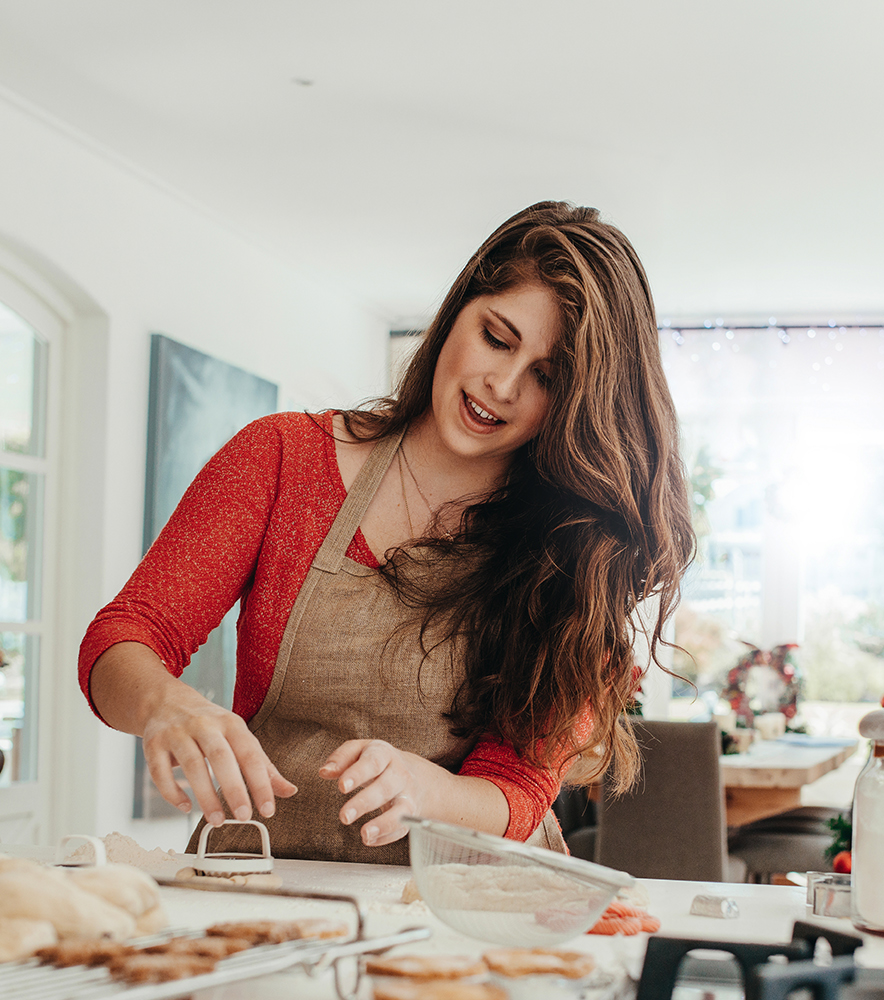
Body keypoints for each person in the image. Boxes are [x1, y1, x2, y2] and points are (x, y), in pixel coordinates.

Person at [79, 202, 693, 863]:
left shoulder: (573, 548)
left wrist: (430, 790)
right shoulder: (282, 459)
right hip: (263, 880)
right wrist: (163, 704)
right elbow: (126, 635)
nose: (502, 384)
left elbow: (517, 789)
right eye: (497, 337)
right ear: (459, 308)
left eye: (546, 378)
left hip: (466, 910)